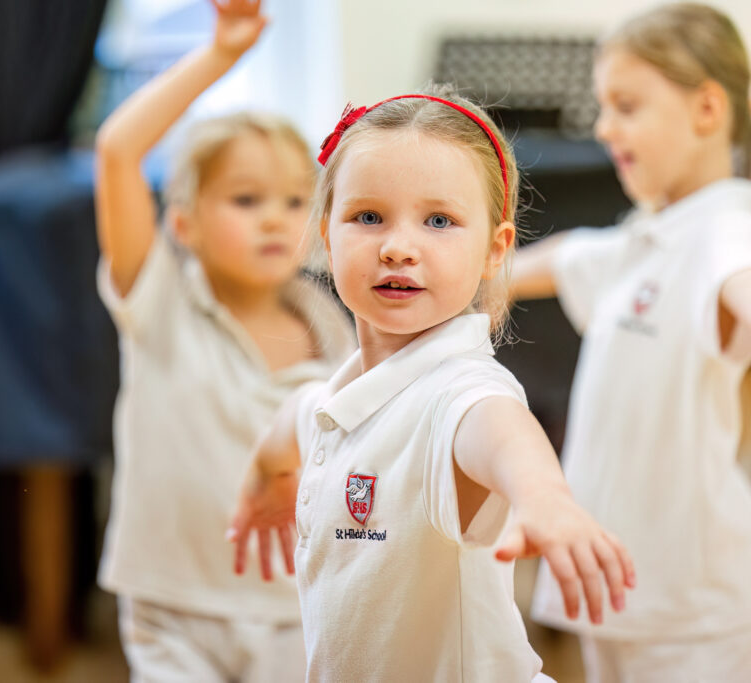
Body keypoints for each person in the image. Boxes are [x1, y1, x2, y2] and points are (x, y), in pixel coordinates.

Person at [228, 87, 636, 681]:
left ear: (495, 250)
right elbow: (293, 419)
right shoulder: (331, 400)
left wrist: (545, 498)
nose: (398, 247)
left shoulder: (460, 394)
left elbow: (501, 431)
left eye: (439, 221)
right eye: (368, 217)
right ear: (326, 235)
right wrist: (265, 477)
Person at [93, 1, 355, 680]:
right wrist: (221, 55)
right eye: (246, 200)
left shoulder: (333, 326)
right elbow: (118, 151)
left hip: (298, 605)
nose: (275, 218)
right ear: (184, 224)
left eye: (296, 201)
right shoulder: (160, 305)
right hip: (172, 607)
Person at [509, 4, 751, 680]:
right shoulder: (644, 239)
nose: (604, 127)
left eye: (626, 104)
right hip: (621, 592)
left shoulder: (726, 230)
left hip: (691, 614)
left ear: (707, 108)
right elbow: (565, 256)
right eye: (602, 106)